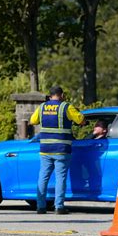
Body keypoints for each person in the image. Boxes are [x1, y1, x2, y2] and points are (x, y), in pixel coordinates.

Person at [29, 86, 85, 215]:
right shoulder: (66, 107)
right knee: (60, 178)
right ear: (62, 95)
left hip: (45, 149)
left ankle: (40, 207)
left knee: (43, 177)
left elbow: (32, 121)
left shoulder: (42, 107)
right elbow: (80, 119)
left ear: (50, 96)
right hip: (61, 149)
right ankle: (59, 207)